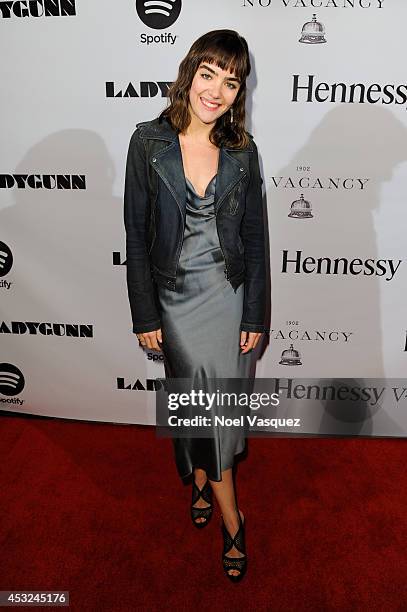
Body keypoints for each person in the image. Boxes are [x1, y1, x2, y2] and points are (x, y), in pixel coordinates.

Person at [124, 29, 267, 582]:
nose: (217, 91)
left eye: (231, 81)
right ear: (190, 74)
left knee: (218, 412)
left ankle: (219, 498)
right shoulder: (147, 142)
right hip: (175, 298)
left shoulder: (242, 151)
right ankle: (219, 499)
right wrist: (145, 315)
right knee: (195, 400)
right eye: (209, 74)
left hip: (228, 296)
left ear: (237, 93)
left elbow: (255, 239)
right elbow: (135, 235)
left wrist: (255, 314)